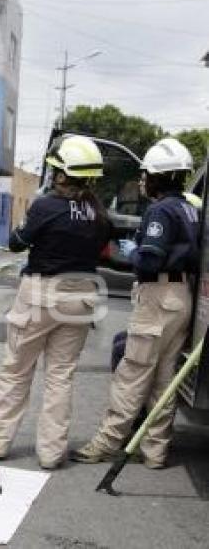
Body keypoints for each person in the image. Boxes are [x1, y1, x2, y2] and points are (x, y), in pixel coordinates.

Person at [71, 138, 198, 469]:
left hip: (158, 298)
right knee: (164, 379)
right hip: (181, 297)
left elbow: (150, 262)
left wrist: (136, 253)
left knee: (133, 373)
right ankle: (156, 452)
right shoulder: (189, 209)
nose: (142, 180)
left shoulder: (160, 210)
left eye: (145, 174)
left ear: (159, 176)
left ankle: (107, 443)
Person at [0, 134, 111, 470]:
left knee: (16, 370)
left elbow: (17, 244)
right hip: (82, 297)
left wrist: (20, 231)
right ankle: (51, 453)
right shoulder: (98, 214)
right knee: (61, 376)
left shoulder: (45, 206)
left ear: (61, 173)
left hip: (42, 295)